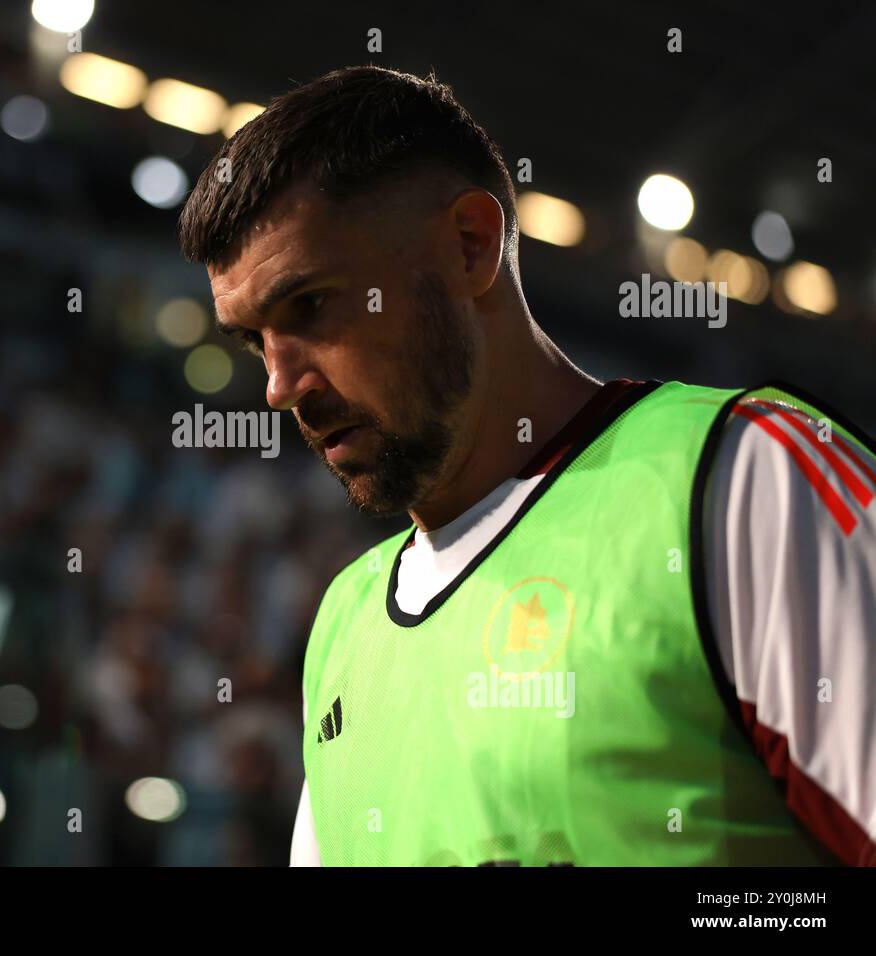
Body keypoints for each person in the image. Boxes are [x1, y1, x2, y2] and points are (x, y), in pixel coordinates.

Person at [177, 65, 876, 865]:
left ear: (470, 246)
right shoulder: (343, 626)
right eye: (254, 339)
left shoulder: (747, 478)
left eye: (311, 305)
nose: (278, 385)